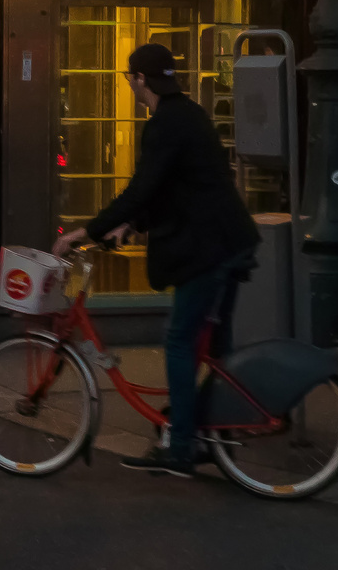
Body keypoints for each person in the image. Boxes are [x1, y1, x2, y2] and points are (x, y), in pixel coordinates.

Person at [54, 43, 260, 478]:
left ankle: (181, 446)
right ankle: (210, 438)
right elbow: (173, 186)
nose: (130, 85)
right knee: (212, 347)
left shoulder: (165, 123)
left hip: (210, 248)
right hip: (229, 240)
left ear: (139, 80)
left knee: (180, 340)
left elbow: (142, 187)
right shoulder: (188, 113)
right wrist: (132, 226)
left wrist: (83, 232)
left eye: (130, 79)